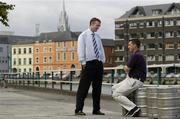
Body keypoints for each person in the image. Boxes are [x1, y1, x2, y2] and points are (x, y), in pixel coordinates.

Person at [75, 17, 105, 116]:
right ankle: (78, 109)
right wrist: (83, 62)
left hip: (98, 63)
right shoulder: (83, 36)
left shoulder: (98, 36)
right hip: (88, 63)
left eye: (99, 26)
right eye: (97, 25)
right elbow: (80, 49)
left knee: (97, 88)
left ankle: (96, 109)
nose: (98, 27)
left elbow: (101, 49)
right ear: (92, 24)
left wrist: (102, 61)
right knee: (83, 88)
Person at [112, 39, 146, 117]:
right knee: (114, 88)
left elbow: (127, 68)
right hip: (131, 79)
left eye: (130, 45)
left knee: (116, 94)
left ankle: (134, 108)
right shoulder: (137, 55)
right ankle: (129, 109)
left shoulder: (136, 55)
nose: (128, 47)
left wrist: (124, 67)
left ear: (135, 45)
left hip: (135, 80)